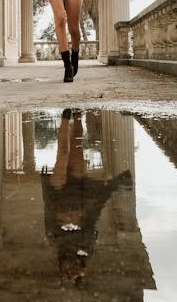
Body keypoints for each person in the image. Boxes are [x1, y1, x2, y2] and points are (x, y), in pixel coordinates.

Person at [42, 108, 132, 288]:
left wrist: (46, 189)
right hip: (78, 194)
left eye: (66, 272)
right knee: (76, 146)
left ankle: (65, 119)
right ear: (80, 270)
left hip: (59, 197)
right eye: (73, 273)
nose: (70, 270)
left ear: (61, 268)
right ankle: (77, 117)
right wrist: (109, 188)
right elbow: (93, 217)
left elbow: (49, 215)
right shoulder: (87, 250)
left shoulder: (57, 246)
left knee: (63, 153)